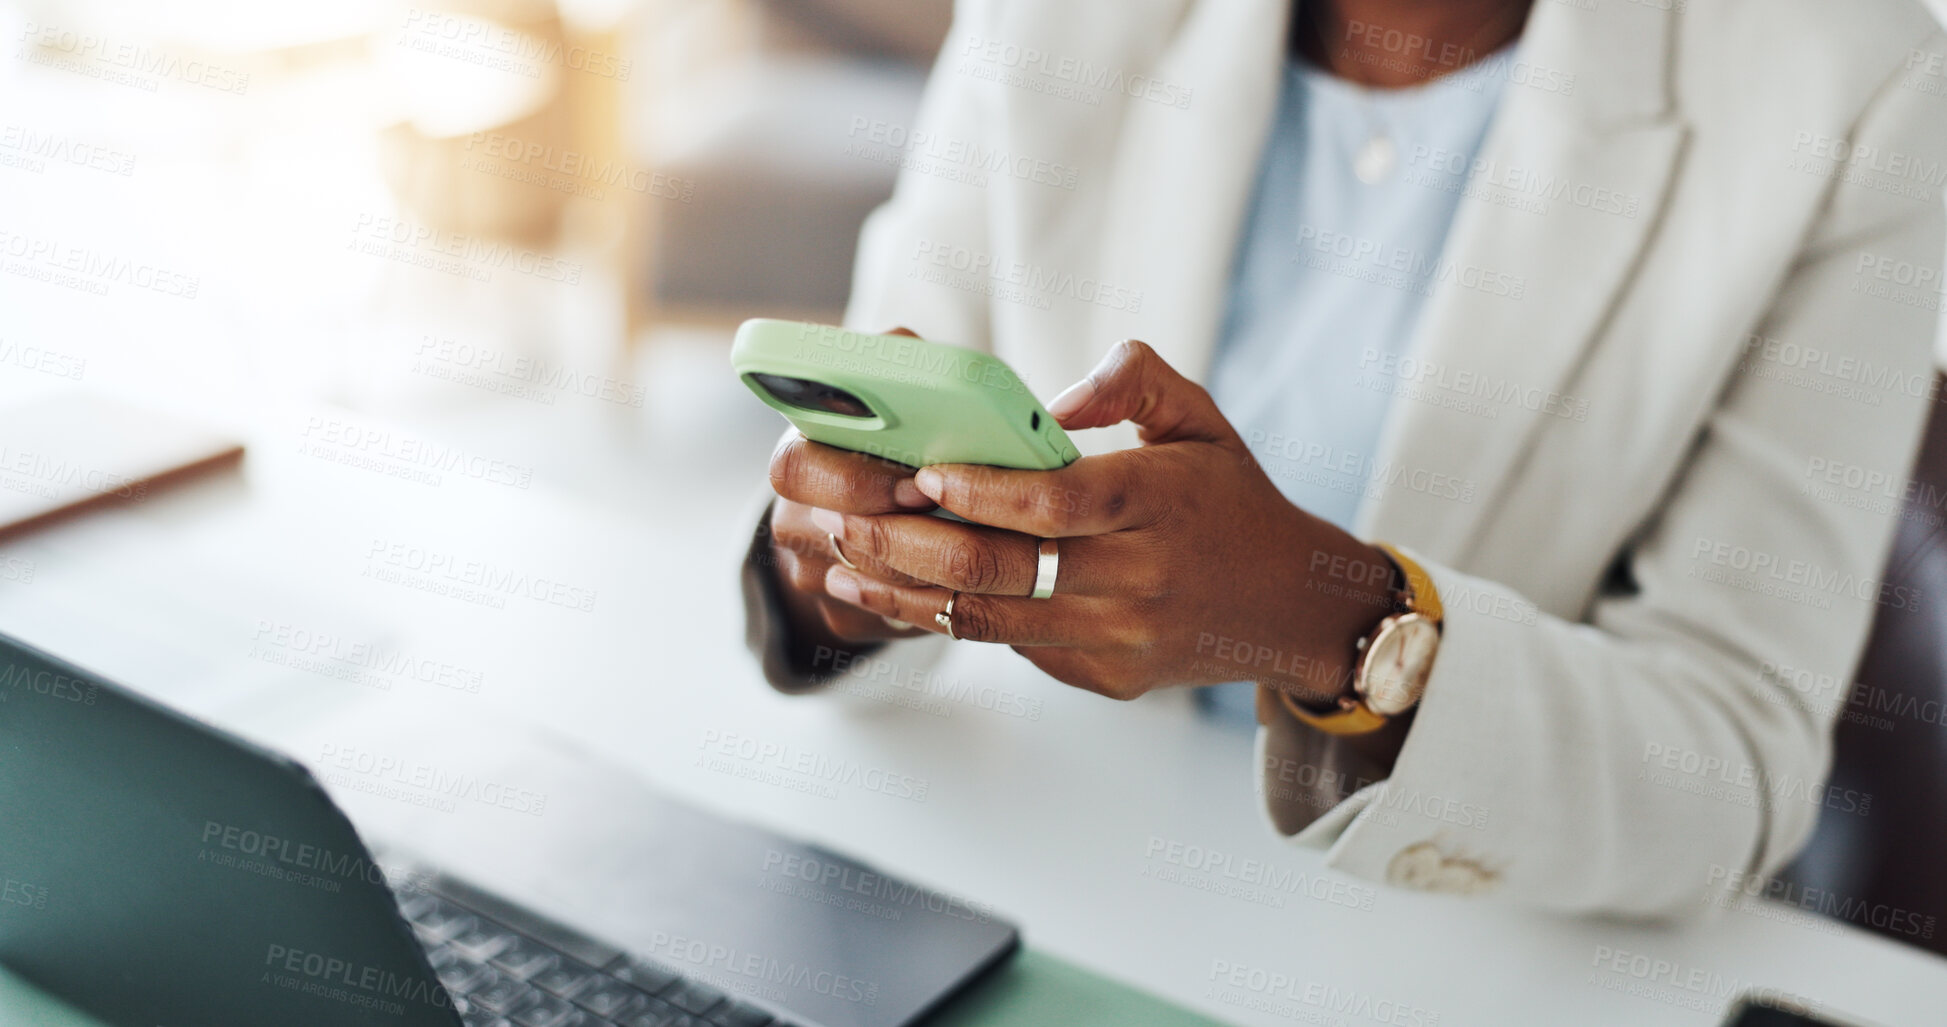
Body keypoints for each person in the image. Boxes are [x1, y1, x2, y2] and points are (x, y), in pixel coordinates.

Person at [740, 0, 1947, 915]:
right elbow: (885, 407)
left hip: (1463, 946)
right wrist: (845, 571)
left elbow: (1731, 765)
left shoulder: (1857, 80)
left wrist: (1336, 625)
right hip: (1056, 873)